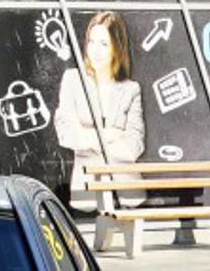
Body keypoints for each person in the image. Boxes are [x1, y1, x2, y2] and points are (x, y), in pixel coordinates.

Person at [54, 11, 145, 211]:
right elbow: (67, 135)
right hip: (85, 193)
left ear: (117, 48)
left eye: (104, 44)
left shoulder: (130, 89)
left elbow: (134, 147)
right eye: (91, 42)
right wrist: (111, 135)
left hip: (127, 194)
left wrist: (89, 138)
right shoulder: (72, 80)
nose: (95, 50)